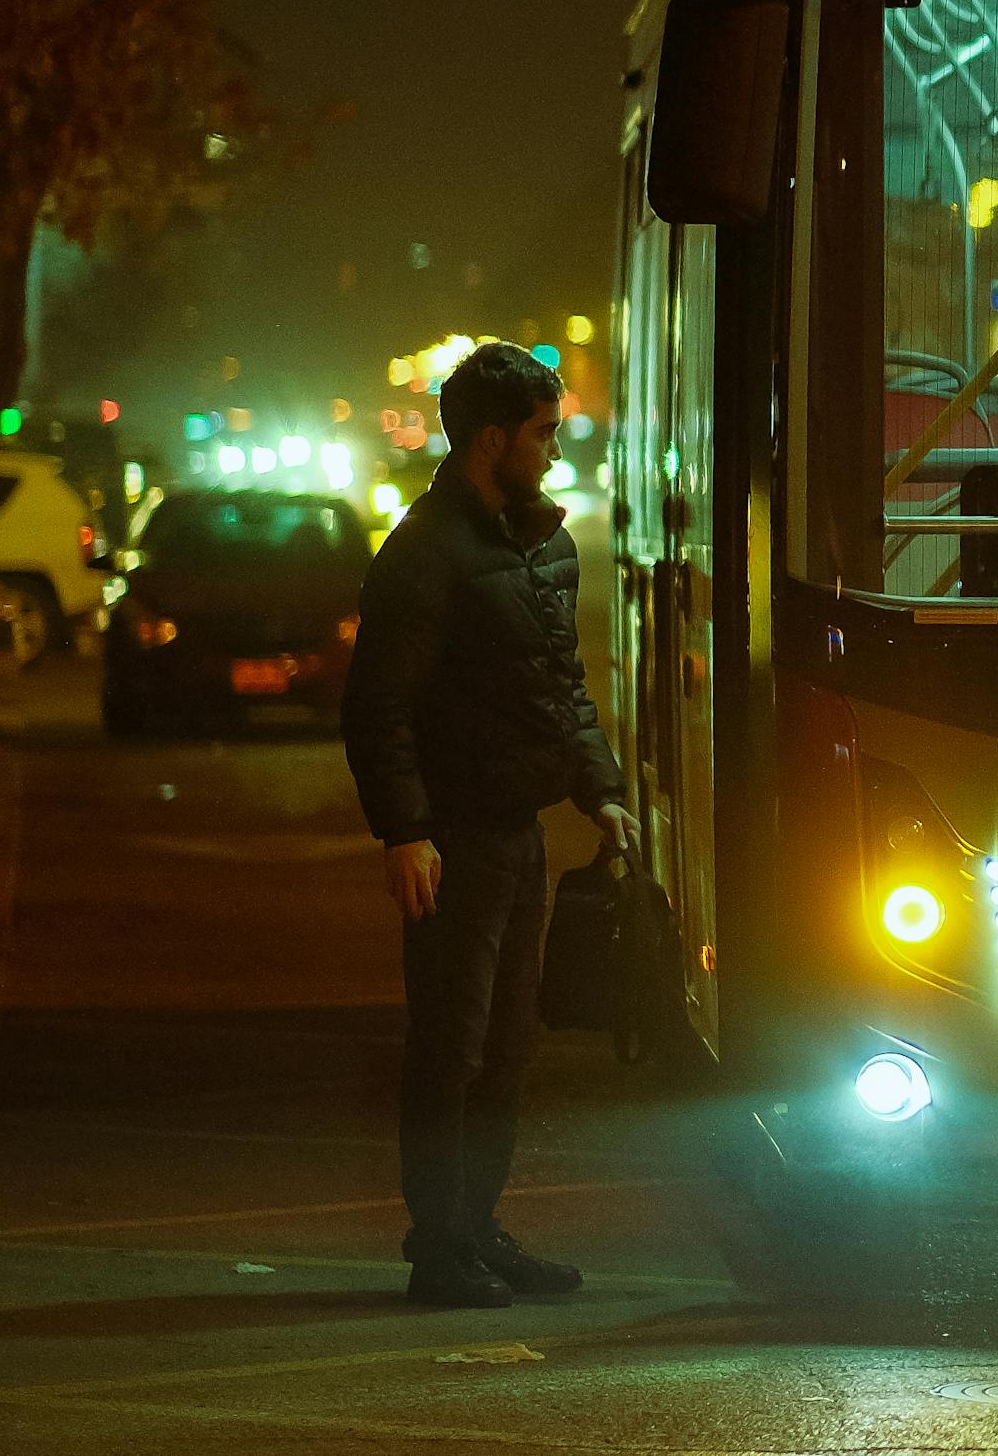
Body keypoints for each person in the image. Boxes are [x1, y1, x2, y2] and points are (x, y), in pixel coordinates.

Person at [342, 342, 634, 1310]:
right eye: (545, 431)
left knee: (510, 1044)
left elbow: (564, 686)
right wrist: (405, 829)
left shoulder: (543, 543)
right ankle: (439, 1243)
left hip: (518, 832)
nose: (557, 448)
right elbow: (377, 706)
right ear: (493, 437)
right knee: (450, 1044)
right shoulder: (426, 552)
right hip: (454, 840)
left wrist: (601, 787)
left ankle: (479, 1226)